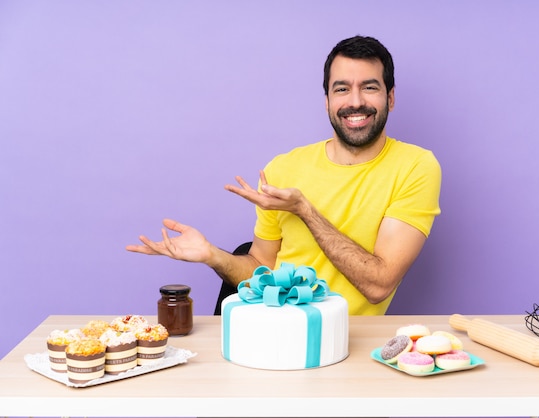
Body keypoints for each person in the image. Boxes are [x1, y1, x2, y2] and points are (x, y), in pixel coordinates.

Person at [126, 35, 441, 315]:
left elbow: (378, 285)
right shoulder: (283, 168)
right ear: (328, 102)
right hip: (276, 333)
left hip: (346, 343)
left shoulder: (415, 167)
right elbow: (260, 269)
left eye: (369, 87)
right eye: (342, 89)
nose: (355, 101)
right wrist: (212, 255)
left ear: (391, 98)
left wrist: (304, 210)